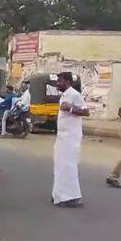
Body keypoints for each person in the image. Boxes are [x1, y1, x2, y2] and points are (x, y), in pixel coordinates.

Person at [52, 72, 89, 207]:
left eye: (59, 81)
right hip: (62, 136)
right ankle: (58, 194)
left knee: (69, 166)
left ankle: (71, 197)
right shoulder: (64, 95)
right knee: (60, 165)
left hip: (71, 137)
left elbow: (86, 112)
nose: (57, 83)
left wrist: (71, 108)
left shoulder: (74, 94)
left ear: (67, 82)